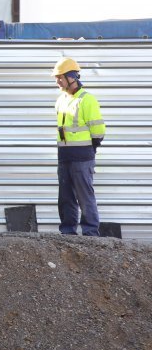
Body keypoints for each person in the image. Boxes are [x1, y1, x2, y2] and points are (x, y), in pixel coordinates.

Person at [52, 57, 106, 236]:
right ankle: (68, 232)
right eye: (56, 77)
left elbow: (98, 131)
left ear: (72, 77)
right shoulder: (60, 100)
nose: (57, 81)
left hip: (82, 157)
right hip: (64, 156)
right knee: (65, 198)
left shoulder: (87, 100)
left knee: (85, 197)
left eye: (60, 77)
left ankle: (90, 233)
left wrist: (89, 149)